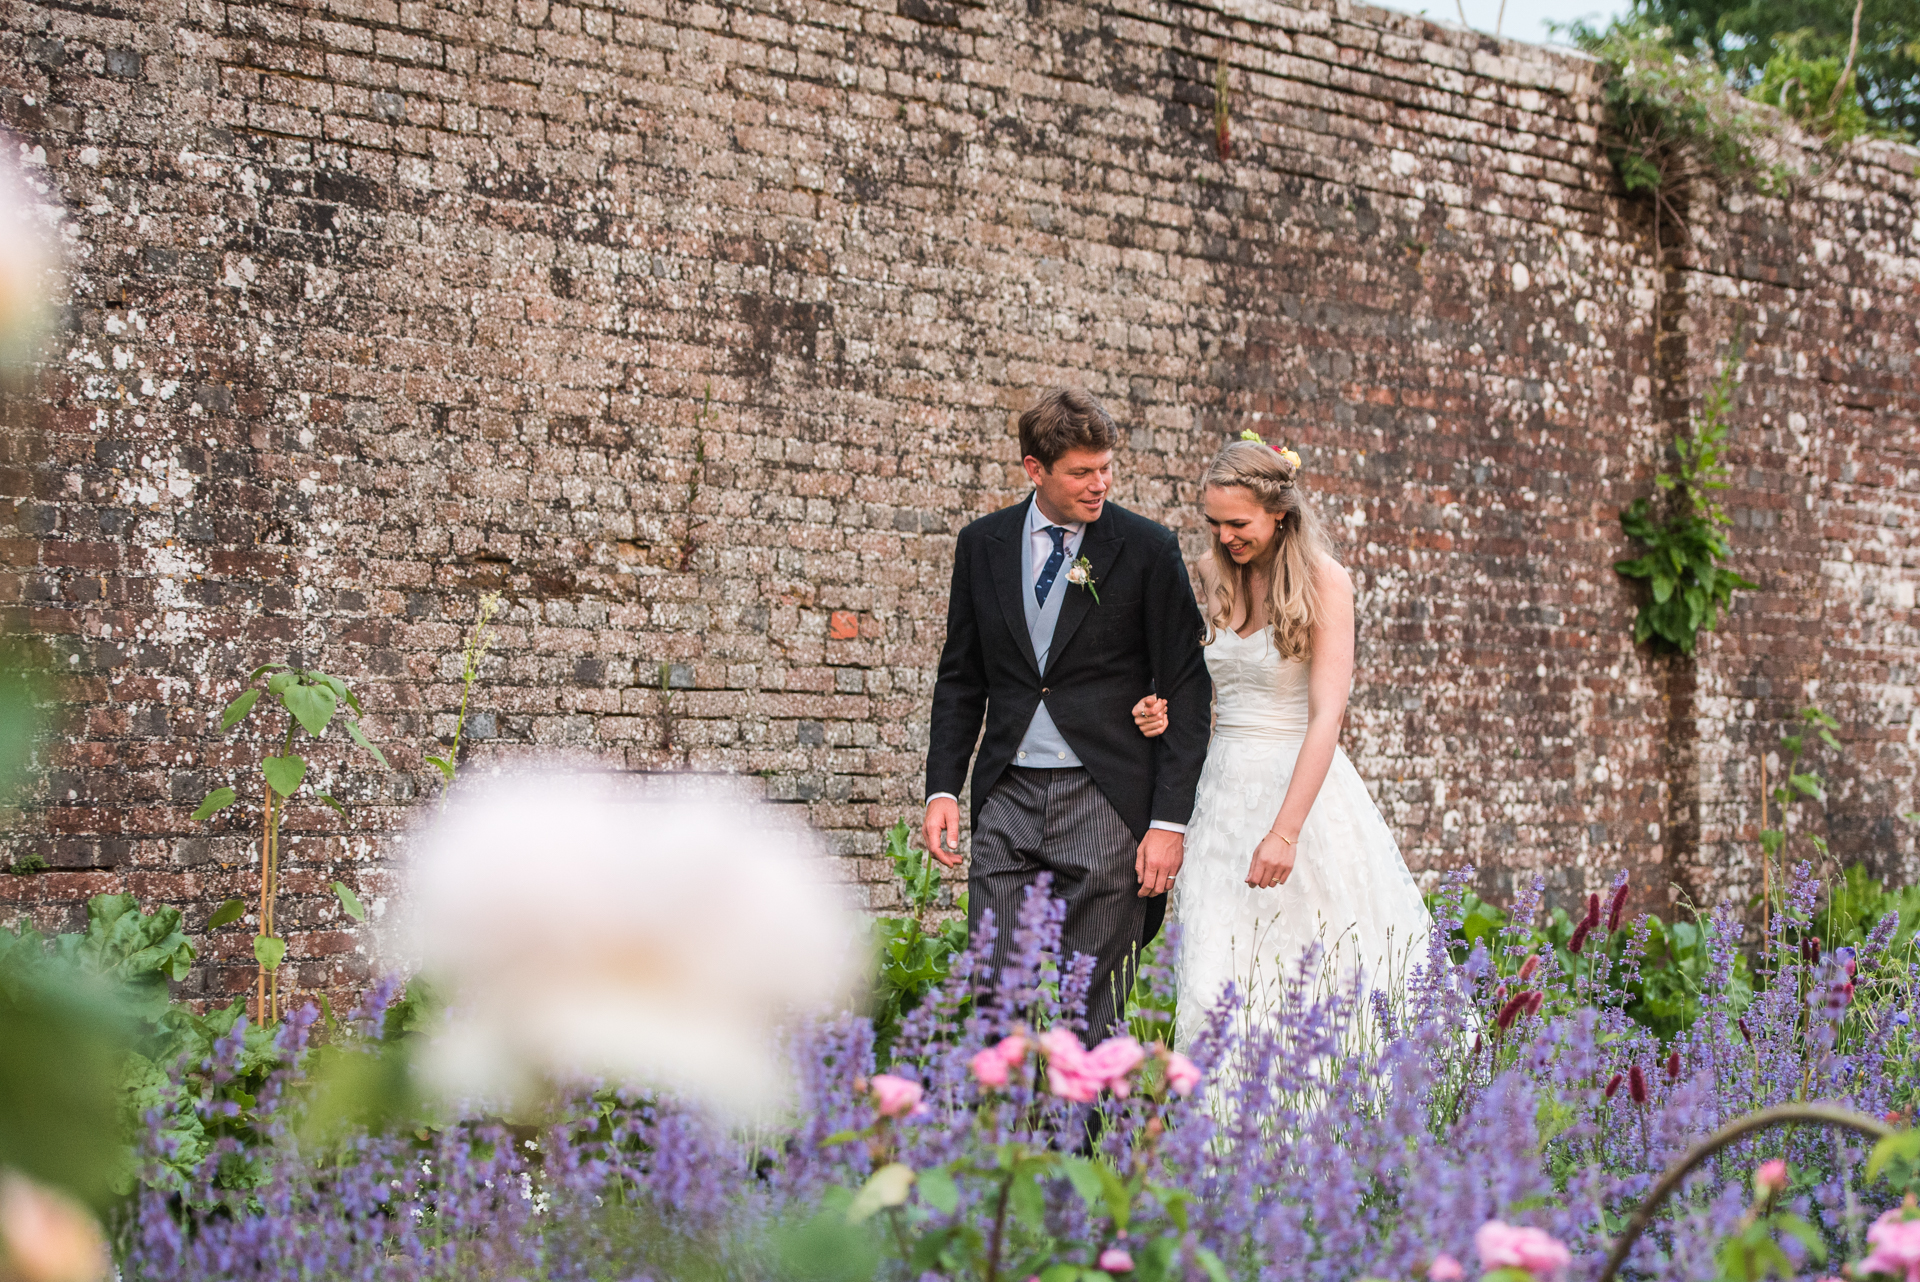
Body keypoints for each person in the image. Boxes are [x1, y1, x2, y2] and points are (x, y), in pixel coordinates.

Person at [924, 388, 1212, 1043]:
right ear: (1035, 470)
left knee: (1094, 1012)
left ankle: (1079, 1147)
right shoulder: (983, 545)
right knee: (998, 1001)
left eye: (1105, 468)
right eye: (1081, 472)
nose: (1099, 484)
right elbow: (962, 677)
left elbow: (1188, 690)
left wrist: (1168, 821)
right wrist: (942, 785)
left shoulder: (1146, 549)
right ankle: (1005, 1143)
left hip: (1105, 799)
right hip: (1007, 796)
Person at [1132, 431, 1428, 1046]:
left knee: (1315, 972)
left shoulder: (1326, 582)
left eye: (1237, 524)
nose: (1224, 537)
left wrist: (1285, 831)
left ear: (1280, 513)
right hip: (1221, 798)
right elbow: (1196, 689)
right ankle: (1221, 1133)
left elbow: (1327, 715)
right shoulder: (1216, 575)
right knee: (1221, 975)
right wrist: (1157, 711)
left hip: (1299, 796)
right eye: (1213, 524)